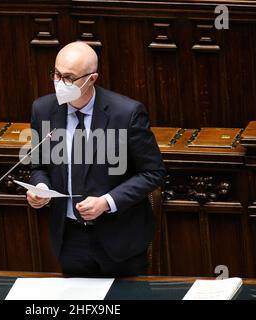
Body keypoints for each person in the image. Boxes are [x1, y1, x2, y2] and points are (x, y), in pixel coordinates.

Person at [27, 41, 166, 277]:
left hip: (119, 238)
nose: (60, 83)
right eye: (57, 74)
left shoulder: (127, 113)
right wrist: (41, 188)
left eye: (69, 78)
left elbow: (153, 172)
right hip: (70, 238)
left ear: (92, 79)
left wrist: (107, 201)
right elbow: (38, 164)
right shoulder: (43, 109)